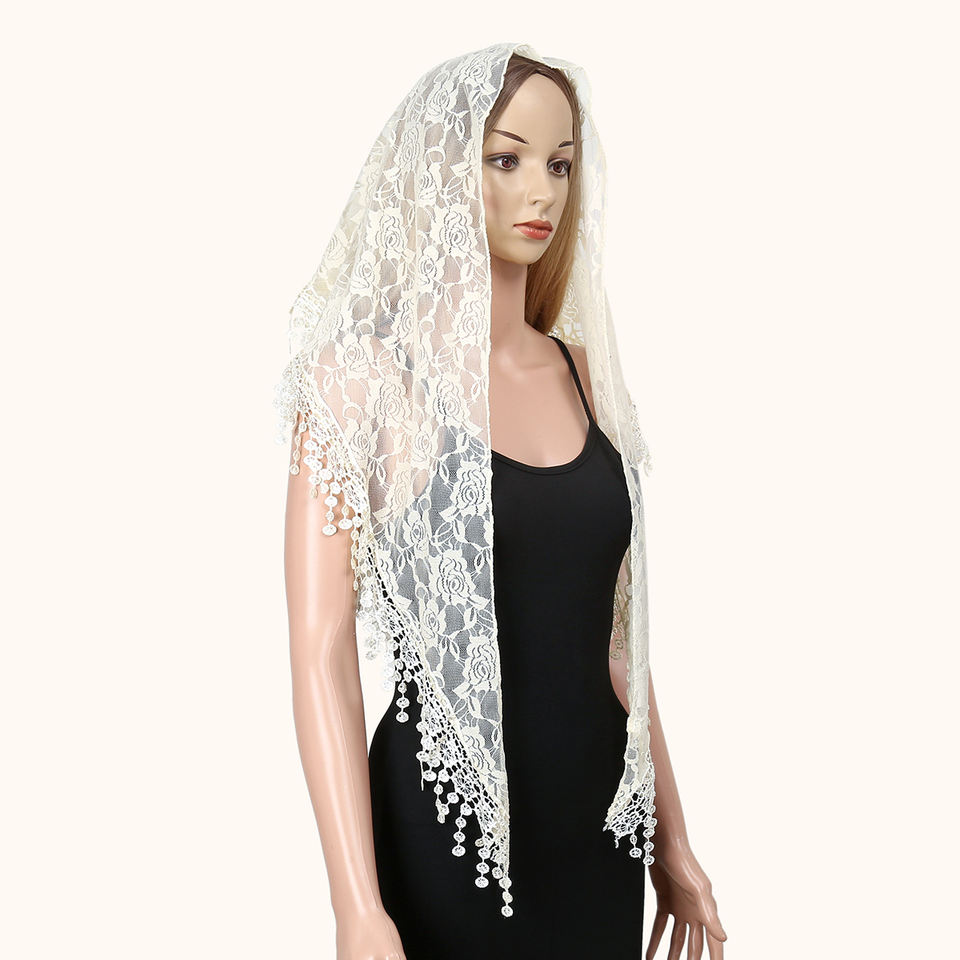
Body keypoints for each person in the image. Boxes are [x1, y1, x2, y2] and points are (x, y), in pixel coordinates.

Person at [277, 43, 726, 959]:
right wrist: (356, 904)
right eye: (506, 158)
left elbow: (619, 646)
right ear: (442, 169)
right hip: (448, 848)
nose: (541, 192)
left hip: (601, 835)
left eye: (560, 164)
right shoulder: (364, 385)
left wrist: (673, 840)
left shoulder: (586, 375)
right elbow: (321, 653)